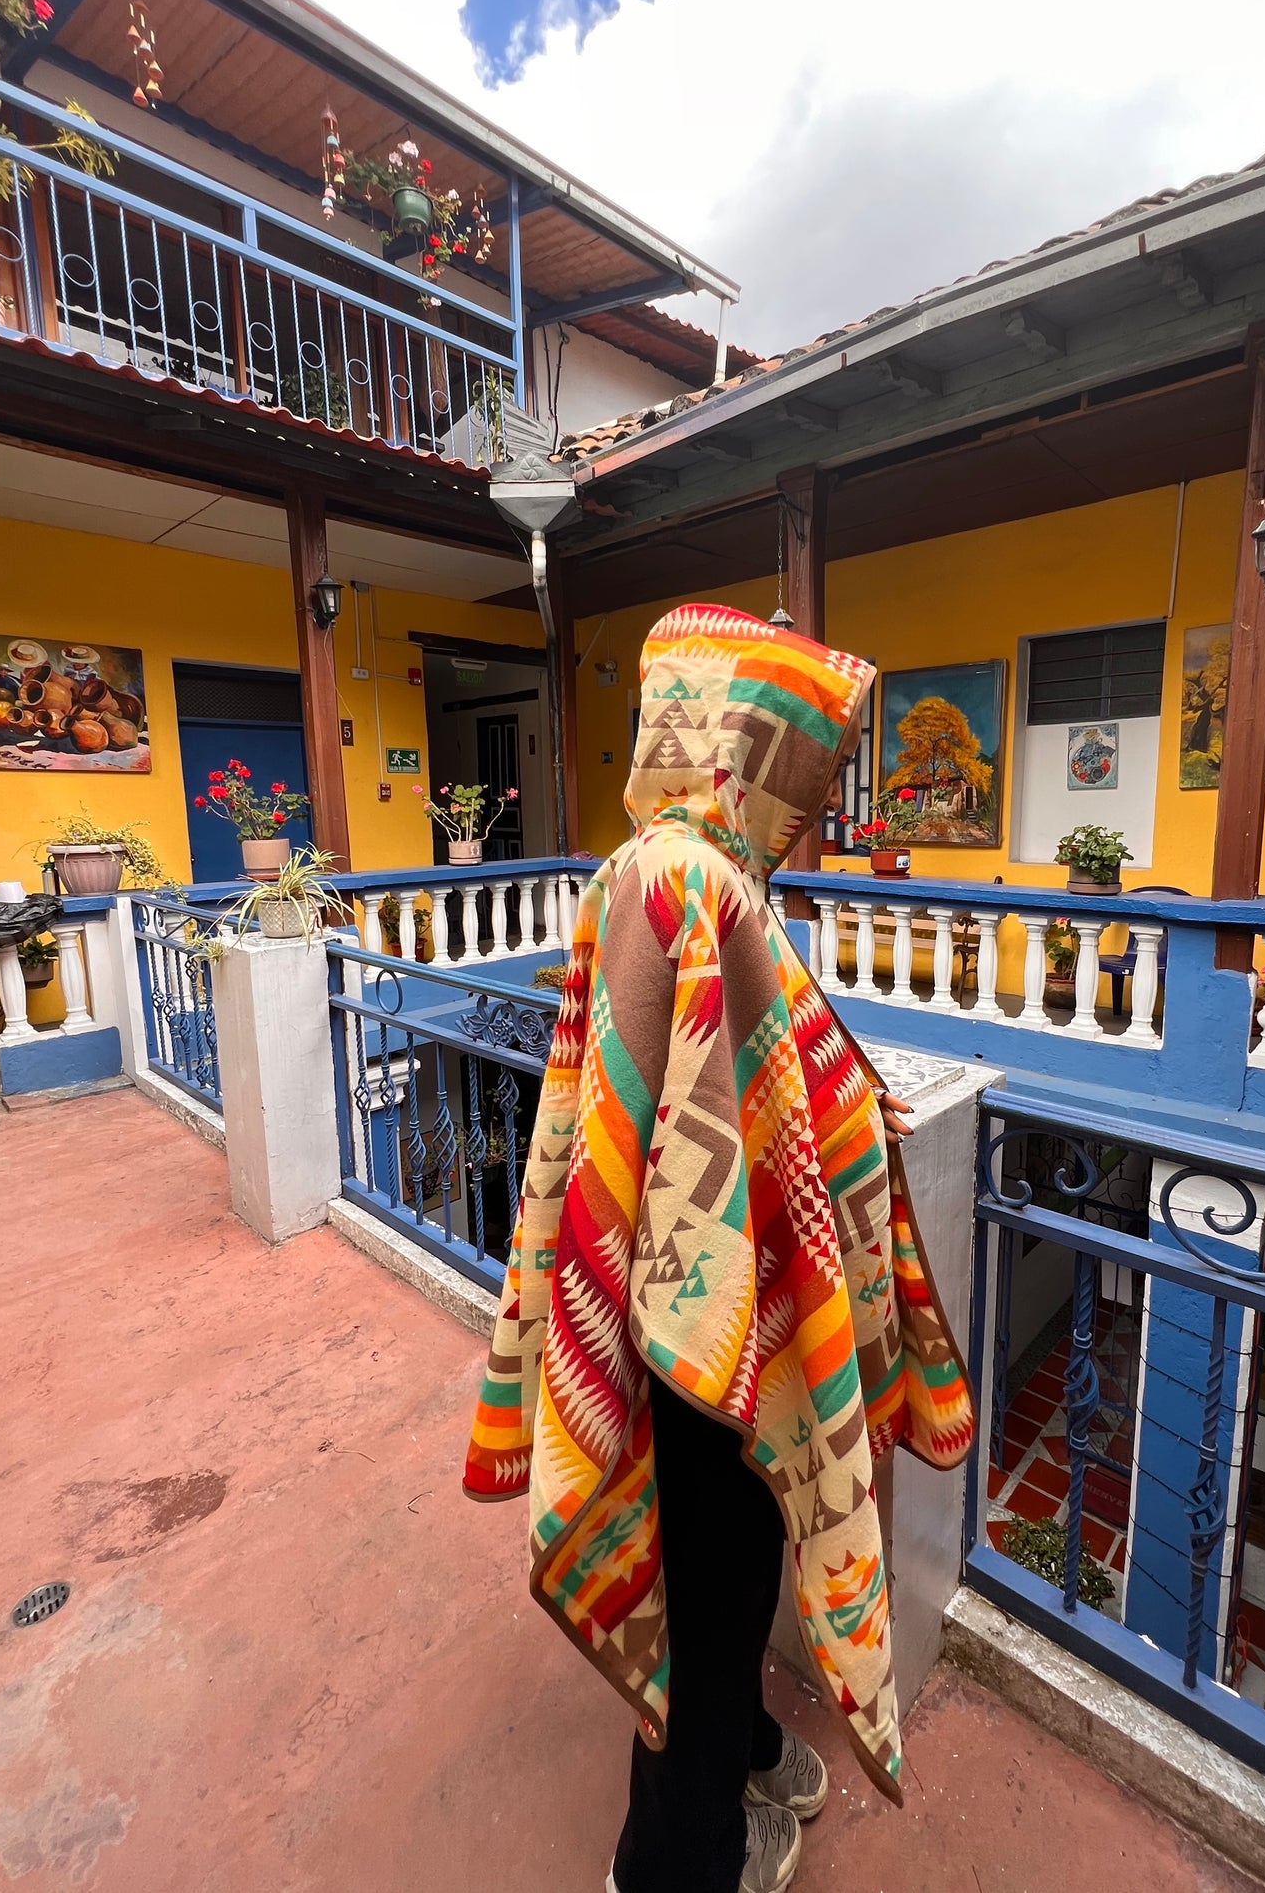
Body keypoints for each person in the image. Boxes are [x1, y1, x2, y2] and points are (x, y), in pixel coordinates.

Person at [465, 604, 974, 1893]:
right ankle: (674, 1859)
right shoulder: (681, 877)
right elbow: (691, 1101)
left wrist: (847, 1101)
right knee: (710, 1586)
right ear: (741, 750)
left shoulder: (684, 869)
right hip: (700, 1322)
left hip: (718, 1295)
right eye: (801, 769)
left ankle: (743, 1746)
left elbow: (755, 1068)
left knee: (733, 1578)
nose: (811, 805)